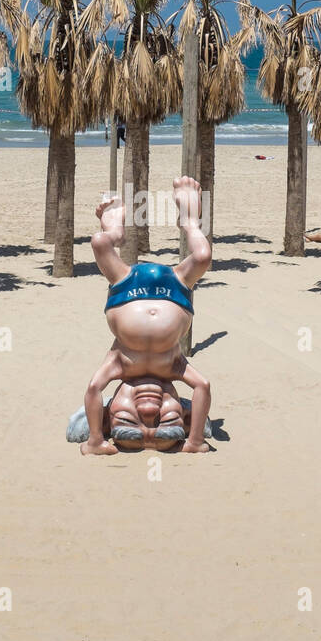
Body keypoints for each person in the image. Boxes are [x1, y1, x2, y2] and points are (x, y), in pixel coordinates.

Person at [82, 176, 211, 456]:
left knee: (100, 241)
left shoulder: (120, 363)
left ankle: (115, 229)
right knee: (202, 256)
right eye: (168, 422)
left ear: (107, 415)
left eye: (127, 421)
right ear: (184, 415)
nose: (149, 410)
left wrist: (95, 440)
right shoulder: (173, 366)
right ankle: (189, 221)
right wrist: (196, 440)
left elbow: (93, 388)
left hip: (126, 286)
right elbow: (203, 386)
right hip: (174, 287)